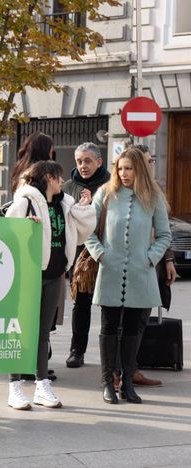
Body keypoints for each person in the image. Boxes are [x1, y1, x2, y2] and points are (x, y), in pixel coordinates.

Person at [5, 161, 95, 410]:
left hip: (55, 275)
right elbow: (8, 233)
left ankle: (41, 384)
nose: (61, 181)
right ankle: (14, 386)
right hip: (29, 275)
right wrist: (26, 227)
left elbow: (82, 232)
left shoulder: (64, 203)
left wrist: (85, 208)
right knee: (22, 330)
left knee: (43, 333)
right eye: (58, 176)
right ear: (47, 177)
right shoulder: (26, 201)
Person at [85, 147, 170, 405]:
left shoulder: (153, 197)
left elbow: (165, 235)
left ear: (139, 170)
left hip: (140, 273)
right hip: (110, 272)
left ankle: (128, 384)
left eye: (129, 168)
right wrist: (100, 254)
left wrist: (149, 257)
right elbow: (89, 229)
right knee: (109, 328)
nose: (123, 173)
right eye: (120, 168)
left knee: (133, 330)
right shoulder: (105, 194)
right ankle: (108, 383)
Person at [63, 143, 111, 369]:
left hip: (108, 253)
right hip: (80, 256)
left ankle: (110, 356)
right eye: (79, 161)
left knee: (109, 306)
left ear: (99, 162)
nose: (83, 165)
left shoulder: (112, 185)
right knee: (81, 304)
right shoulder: (68, 187)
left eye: (88, 161)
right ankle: (77, 351)